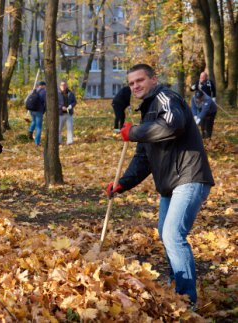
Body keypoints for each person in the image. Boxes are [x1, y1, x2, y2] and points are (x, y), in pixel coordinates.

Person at [106, 64, 214, 306]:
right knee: (167, 236)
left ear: (153, 79)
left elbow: (173, 126)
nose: (135, 86)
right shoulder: (148, 113)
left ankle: (186, 300)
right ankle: (175, 288)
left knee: (173, 235)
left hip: (188, 176)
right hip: (171, 183)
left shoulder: (167, 97)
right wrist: (122, 184)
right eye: (131, 83)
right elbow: (143, 158)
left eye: (140, 80)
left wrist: (134, 132)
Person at [25, 81, 47, 146]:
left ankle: (30, 131)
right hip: (39, 111)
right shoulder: (44, 92)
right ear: (43, 85)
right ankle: (37, 142)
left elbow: (26, 100)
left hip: (31, 110)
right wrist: (44, 110)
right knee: (39, 127)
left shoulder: (33, 91)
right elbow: (46, 102)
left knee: (34, 121)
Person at [57, 81, 77, 145]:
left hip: (69, 113)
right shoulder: (57, 93)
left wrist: (71, 106)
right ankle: (59, 141)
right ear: (60, 86)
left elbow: (74, 101)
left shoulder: (70, 93)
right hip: (60, 114)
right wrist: (61, 107)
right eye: (62, 85)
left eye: (64, 85)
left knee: (70, 128)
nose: (63, 86)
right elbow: (54, 103)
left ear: (67, 86)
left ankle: (70, 141)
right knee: (59, 128)